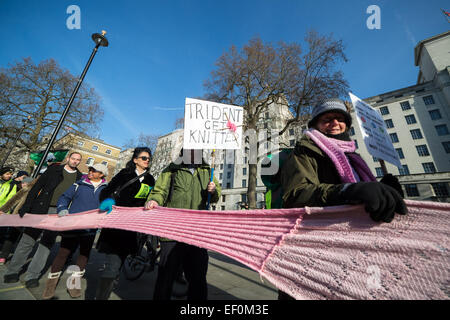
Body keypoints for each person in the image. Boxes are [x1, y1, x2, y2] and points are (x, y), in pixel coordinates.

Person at [278, 98, 407, 299]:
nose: (334, 124)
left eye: (340, 119)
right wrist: (347, 191)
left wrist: (385, 190)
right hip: (315, 251)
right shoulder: (304, 152)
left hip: (357, 246)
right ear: (315, 125)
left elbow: (364, 191)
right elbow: (296, 194)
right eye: (327, 119)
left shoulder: (354, 156)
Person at [144, 148, 221, 300]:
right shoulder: (172, 169)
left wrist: (213, 191)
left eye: (196, 150)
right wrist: (154, 200)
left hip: (197, 233)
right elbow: (159, 191)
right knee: (166, 277)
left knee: (198, 279)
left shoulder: (207, 170)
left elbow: (215, 196)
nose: (193, 153)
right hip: (173, 231)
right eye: (189, 150)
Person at [3, 152, 82, 288]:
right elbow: (37, 187)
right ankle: (13, 271)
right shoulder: (54, 169)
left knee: (46, 244)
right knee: (27, 240)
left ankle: (32, 275)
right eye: (73, 158)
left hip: (59, 212)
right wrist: (27, 206)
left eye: (78, 160)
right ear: (68, 158)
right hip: (41, 208)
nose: (75, 161)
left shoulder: (79, 177)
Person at [95, 147, 155, 300]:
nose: (147, 160)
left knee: (119, 262)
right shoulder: (124, 174)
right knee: (112, 266)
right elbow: (106, 191)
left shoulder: (150, 180)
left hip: (133, 227)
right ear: (135, 160)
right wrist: (108, 202)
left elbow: (150, 199)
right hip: (116, 224)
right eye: (143, 158)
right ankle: (101, 296)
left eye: (148, 158)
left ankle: (110, 283)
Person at [41, 163, 108, 300]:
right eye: (90, 169)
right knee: (62, 254)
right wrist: (62, 209)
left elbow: (109, 206)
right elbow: (64, 197)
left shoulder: (106, 189)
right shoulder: (79, 184)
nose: (90, 172)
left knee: (83, 256)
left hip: (90, 229)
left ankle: (74, 284)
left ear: (102, 174)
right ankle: (50, 285)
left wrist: (105, 216)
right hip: (72, 225)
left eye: (94, 171)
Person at [0, 176, 35, 265]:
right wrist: (3, 210)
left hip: (27, 217)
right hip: (17, 217)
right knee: (12, 236)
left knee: (22, 238)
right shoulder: (21, 191)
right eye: (23, 183)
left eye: (26, 183)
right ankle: (3, 256)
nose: (23, 184)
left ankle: (15, 257)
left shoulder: (33, 192)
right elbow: (12, 201)